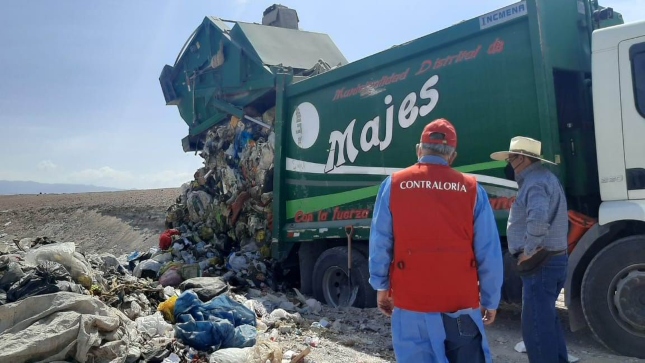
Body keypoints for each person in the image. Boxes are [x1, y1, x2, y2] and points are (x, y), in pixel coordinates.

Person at [369, 118, 504, 363]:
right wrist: (490, 300)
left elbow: (381, 243)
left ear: (419, 150)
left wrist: (381, 287)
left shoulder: (394, 185)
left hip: (411, 301)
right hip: (461, 303)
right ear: (452, 157)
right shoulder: (473, 190)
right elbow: (488, 252)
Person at [490, 136, 569, 363]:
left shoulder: (534, 183)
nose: (509, 164)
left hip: (541, 263)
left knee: (535, 328)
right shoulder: (546, 178)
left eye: (511, 158)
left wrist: (528, 250)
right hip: (553, 260)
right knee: (547, 323)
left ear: (522, 158)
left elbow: (538, 219)